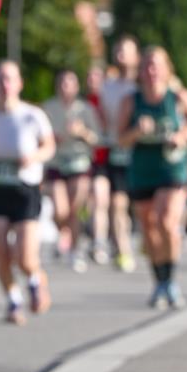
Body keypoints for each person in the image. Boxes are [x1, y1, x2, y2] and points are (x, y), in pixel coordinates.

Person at [117, 46, 187, 308]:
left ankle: (172, 281)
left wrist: (183, 136)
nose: (152, 71)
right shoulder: (131, 101)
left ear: (167, 69)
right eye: (147, 66)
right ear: (140, 72)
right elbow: (120, 140)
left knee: (166, 221)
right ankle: (159, 281)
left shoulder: (178, 97)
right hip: (143, 168)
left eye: (157, 65)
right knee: (149, 227)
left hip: (173, 167)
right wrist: (136, 131)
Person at [0, 60, 55, 325]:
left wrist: (34, 157)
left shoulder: (32, 115)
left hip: (25, 189)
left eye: (9, 79)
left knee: (25, 256)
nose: (4, 85)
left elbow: (49, 146)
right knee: (1, 254)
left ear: (19, 83)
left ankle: (35, 278)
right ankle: (13, 300)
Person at [43, 70, 100, 272]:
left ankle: (75, 251)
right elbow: (40, 136)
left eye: (71, 83)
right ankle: (63, 234)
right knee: (60, 210)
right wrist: (52, 139)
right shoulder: (49, 108)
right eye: (63, 82)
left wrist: (82, 132)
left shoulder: (86, 109)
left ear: (76, 87)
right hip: (56, 162)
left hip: (79, 162)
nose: (66, 87)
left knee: (75, 210)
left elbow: (97, 139)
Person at [101, 35, 140, 271]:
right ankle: (124, 251)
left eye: (125, 51)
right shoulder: (108, 86)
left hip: (142, 152)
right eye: (117, 51)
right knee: (117, 204)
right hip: (117, 150)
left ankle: (145, 239)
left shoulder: (144, 84)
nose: (120, 56)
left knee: (141, 207)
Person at [84, 64, 111, 265]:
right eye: (90, 78)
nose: (93, 82)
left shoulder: (110, 102)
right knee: (96, 201)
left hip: (111, 158)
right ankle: (98, 241)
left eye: (96, 77)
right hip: (90, 159)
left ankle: (112, 240)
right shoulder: (84, 104)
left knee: (113, 204)